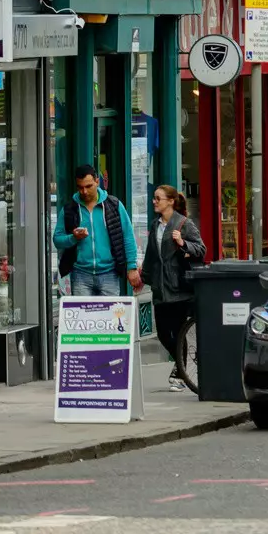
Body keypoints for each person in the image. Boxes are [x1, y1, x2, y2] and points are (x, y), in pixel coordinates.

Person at [140, 185, 205, 390]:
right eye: (154, 198)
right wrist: (143, 278)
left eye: (158, 198)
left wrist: (182, 242)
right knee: (161, 332)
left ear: (170, 201)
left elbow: (201, 249)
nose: (154, 201)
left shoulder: (184, 223)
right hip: (160, 286)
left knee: (177, 332)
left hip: (178, 287)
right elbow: (151, 256)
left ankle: (180, 371)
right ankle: (181, 365)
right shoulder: (155, 225)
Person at [53, 165, 141, 296]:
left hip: (109, 273)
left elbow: (127, 236)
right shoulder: (69, 209)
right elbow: (57, 239)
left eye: (89, 186)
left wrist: (132, 267)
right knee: (83, 315)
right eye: (80, 187)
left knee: (110, 315)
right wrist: (73, 237)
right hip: (80, 274)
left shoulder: (114, 205)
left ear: (97, 182)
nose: (84, 192)